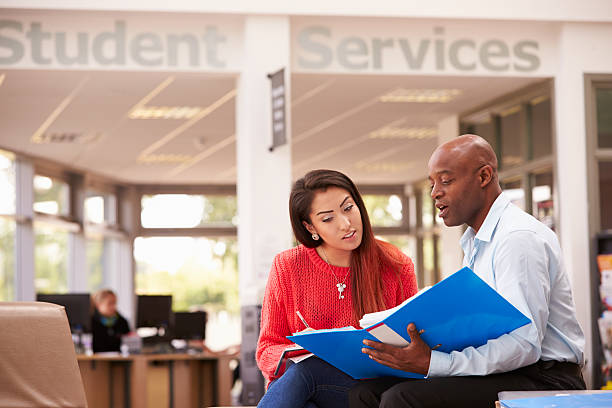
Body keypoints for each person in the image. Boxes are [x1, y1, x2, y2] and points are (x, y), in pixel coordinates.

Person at [349, 135, 586, 408]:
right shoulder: (477, 241)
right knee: (364, 393)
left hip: (545, 379)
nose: (435, 192)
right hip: (510, 371)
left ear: (484, 176)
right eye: (432, 183)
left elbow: (524, 344)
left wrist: (435, 362)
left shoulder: (517, 238)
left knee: (401, 399)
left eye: (446, 181)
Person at [256, 169, 418, 408]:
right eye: (328, 218)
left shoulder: (395, 264)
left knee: (307, 373)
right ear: (310, 227)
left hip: (374, 390)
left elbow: (413, 342)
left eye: (348, 208)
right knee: (306, 381)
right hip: (311, 390)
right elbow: (267, 348)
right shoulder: (288, 266)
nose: (345, 224)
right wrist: (301, 350)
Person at [91, 289, 130, 353]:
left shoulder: (122, 321)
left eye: (114, 303)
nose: (113, 307)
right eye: (110, 303)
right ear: (98, 305)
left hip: (119, 360)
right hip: (96, 360)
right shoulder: (91, 322)